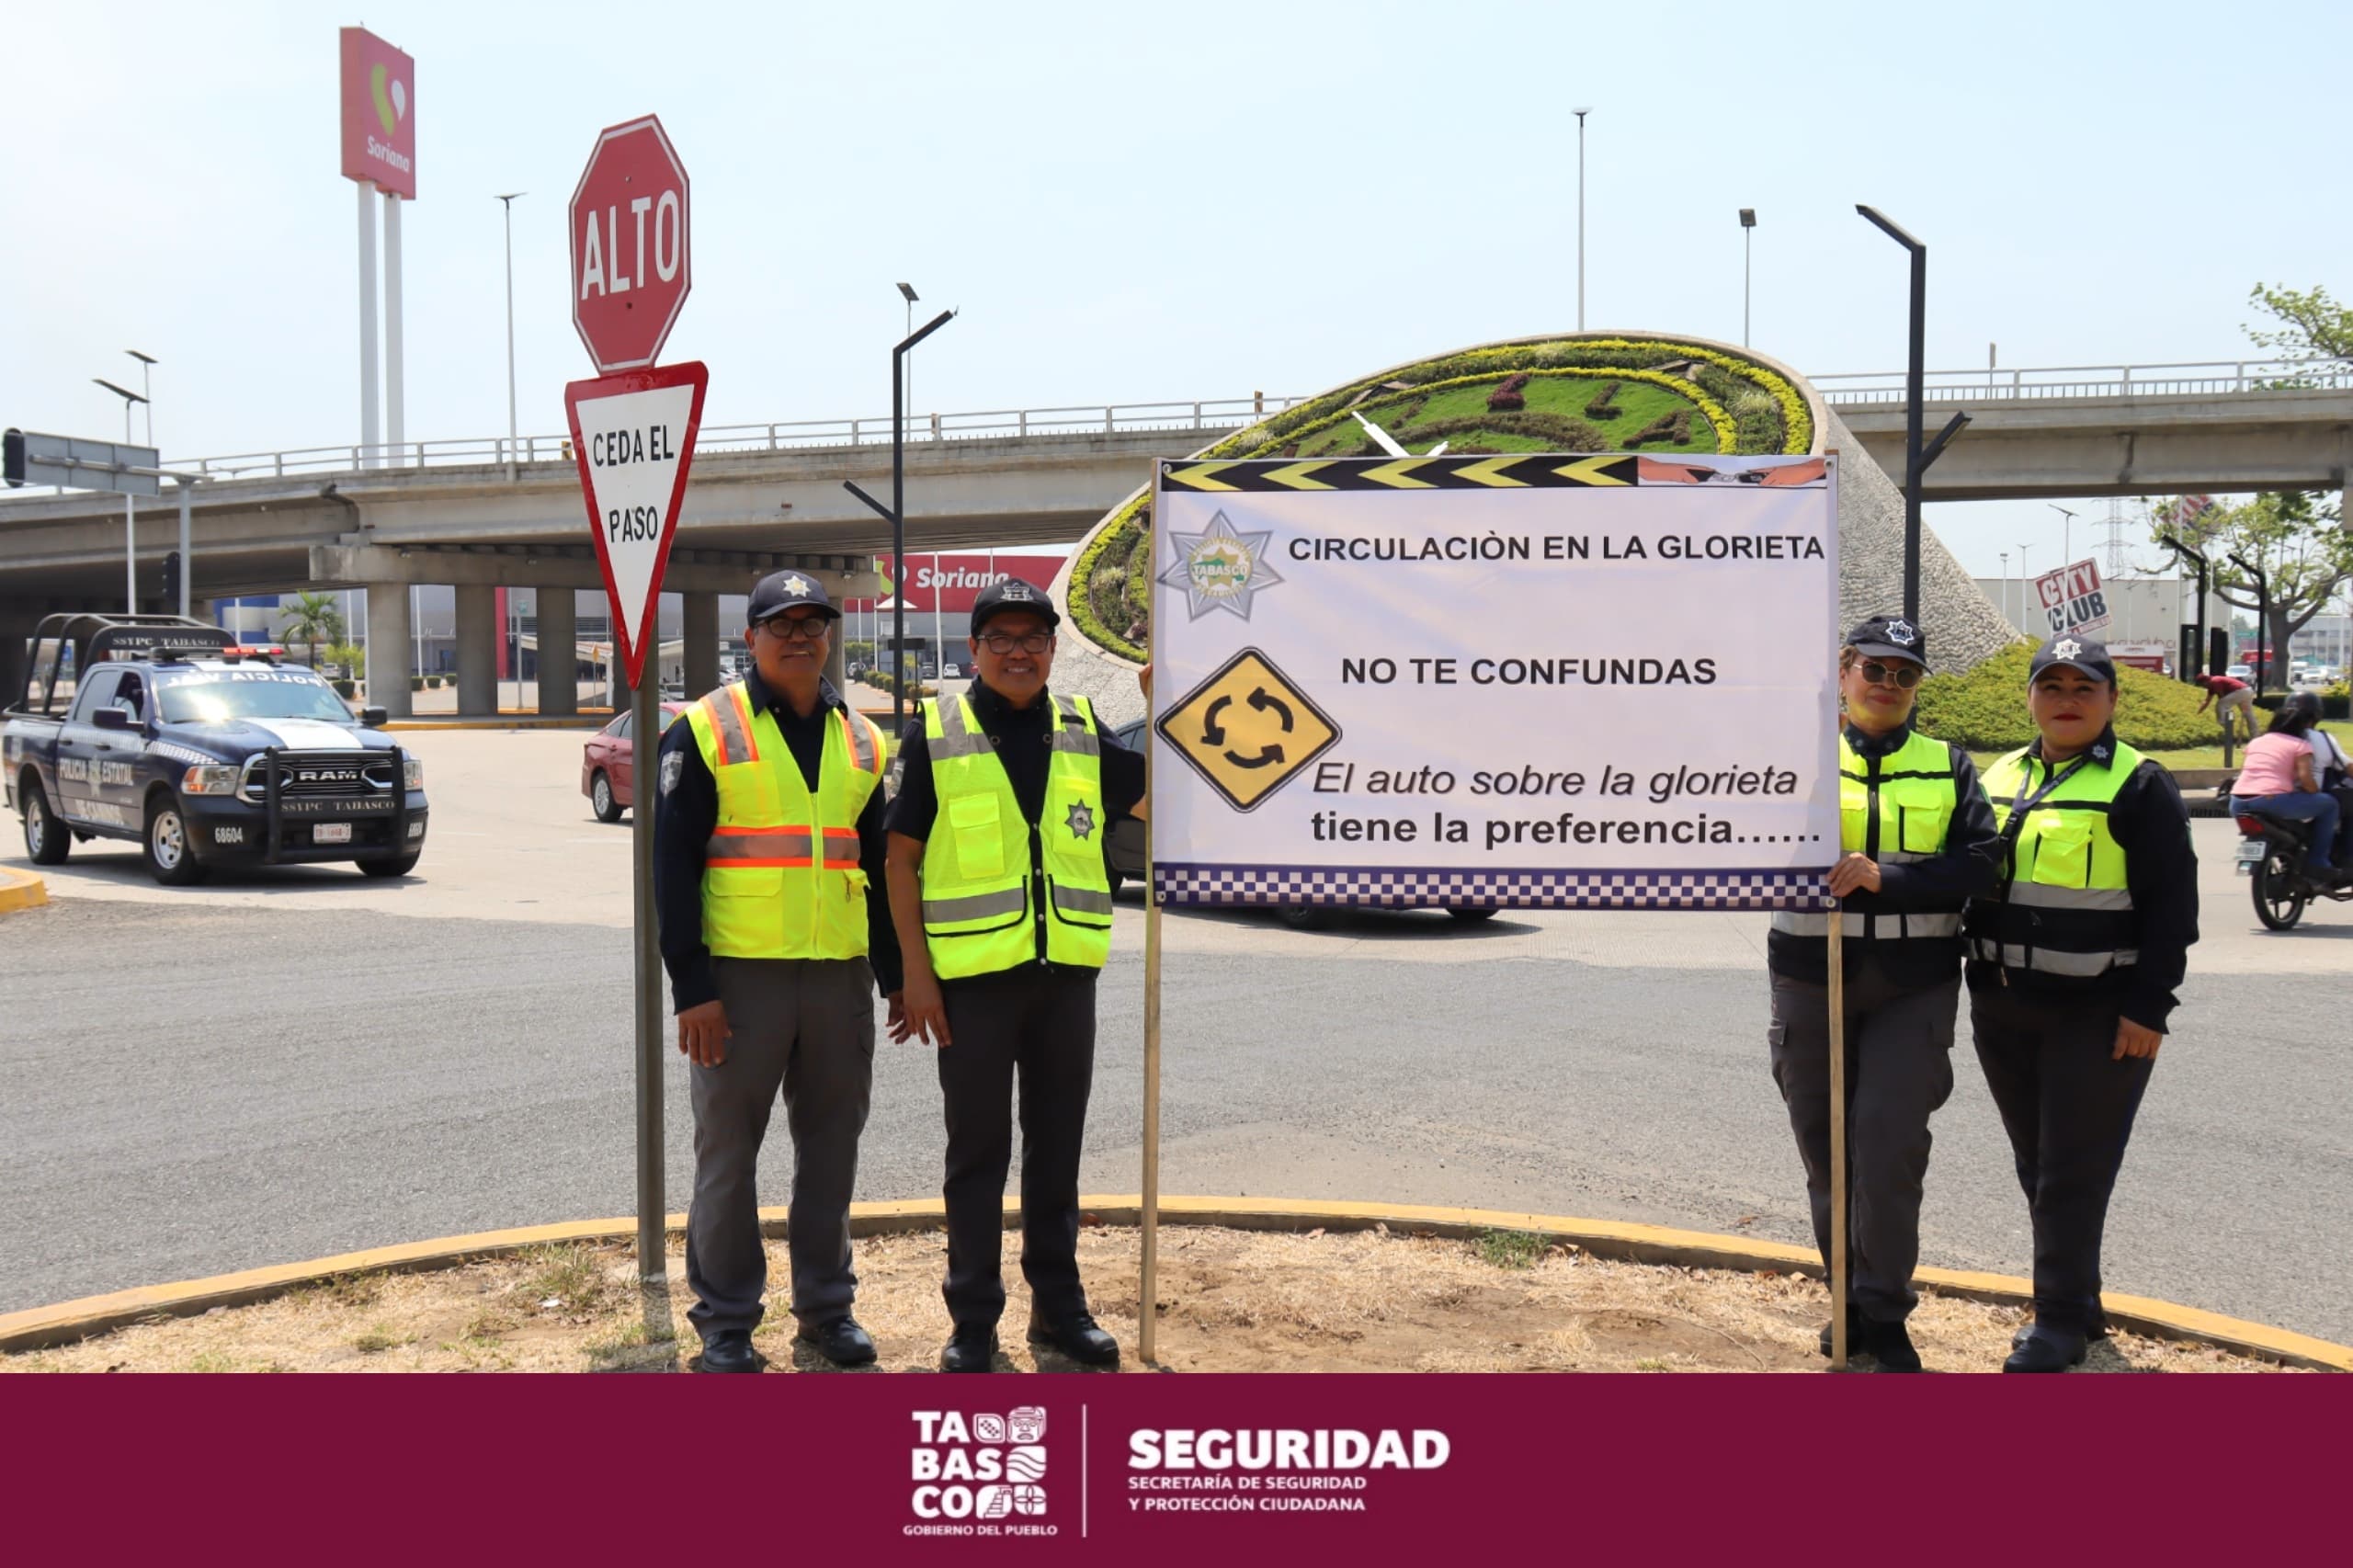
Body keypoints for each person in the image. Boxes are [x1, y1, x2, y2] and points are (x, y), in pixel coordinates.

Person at [884, 578, 1149, 1373]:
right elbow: (899, 863)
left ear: (1053, 649)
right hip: (971, 987)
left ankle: (1060, 1312)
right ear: (974, 650)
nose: (1018, 652)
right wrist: (915, 978)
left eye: (1033, 638)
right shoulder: (937, 729)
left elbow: (1149, 799)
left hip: (1065, 979)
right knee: (977, 1155)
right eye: (999, 638)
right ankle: (973, 1322)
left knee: (1057, 1150)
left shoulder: (1077, 725)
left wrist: (1163, 702)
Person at [653, 571, 898, 1373]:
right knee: (728, 1155)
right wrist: (694, 990)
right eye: (781, 624)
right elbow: (672, 870)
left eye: (814, 624)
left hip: (837, 979)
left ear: (831, 636)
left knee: (832, 1152)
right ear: (750, 638)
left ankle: (827, 1311)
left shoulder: (864, 738)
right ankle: (726, 1323)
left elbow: (877, 871)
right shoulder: (704, 730)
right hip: (740, 982)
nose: (800, 637)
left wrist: (896, 978)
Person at [1765, 615, 2000, 1372]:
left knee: (1890, 1148)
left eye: (1905, 674)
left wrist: (1886, 879)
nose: (1889, 685)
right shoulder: (1794, 759)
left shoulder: (1949, 765)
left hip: (1914, 986)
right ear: (1843, 672)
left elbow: (1980, 865)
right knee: (1827, 1151)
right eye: (1876, 669)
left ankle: (1886, 1307)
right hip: (1810, 977)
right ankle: (1845, 1302)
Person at [1964, 634, 2200, 1372]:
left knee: (2073, 1168)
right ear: (2031, 696)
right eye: (2052, 686)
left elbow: (2173, 911)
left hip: (2096, 1015)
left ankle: (2059, 1325)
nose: (2067, 701)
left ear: (2111, 700)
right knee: (2037, 1163)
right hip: (2002, 1005)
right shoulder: (2001, 774)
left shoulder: (2140, 785)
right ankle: (2081, 1303)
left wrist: (2149, 1008)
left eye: (2084, 688)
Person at [2227, 699, 2345, 884]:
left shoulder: (2257, 742)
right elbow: (2306, 779)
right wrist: (2314, 792)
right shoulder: (2300, 745)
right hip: (2271, 800)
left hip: (2238, 802)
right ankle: (2318, 860)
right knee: (2330, 805)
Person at [2286, 691, 2352, 866]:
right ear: (2317, 714)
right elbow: (2344, 765)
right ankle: (2345, 857)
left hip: (2266, 796)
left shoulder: (2272, 736)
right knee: (2337, 804)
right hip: (2304, 798)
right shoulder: (2320, 738)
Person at [2192, 672, 2258, 746]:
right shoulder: (2212, 685)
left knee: (2221, 705)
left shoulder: (2215, 681)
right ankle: (2255, 738)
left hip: (2241, 691)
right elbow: (2207, 701)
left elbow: (2222, 696)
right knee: (2249, 715)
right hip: (2247, 691)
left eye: (2202, 685)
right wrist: (2198, 712)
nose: (2203, 687)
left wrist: (2227, 713)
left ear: (2205, 681)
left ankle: (2227, 726)